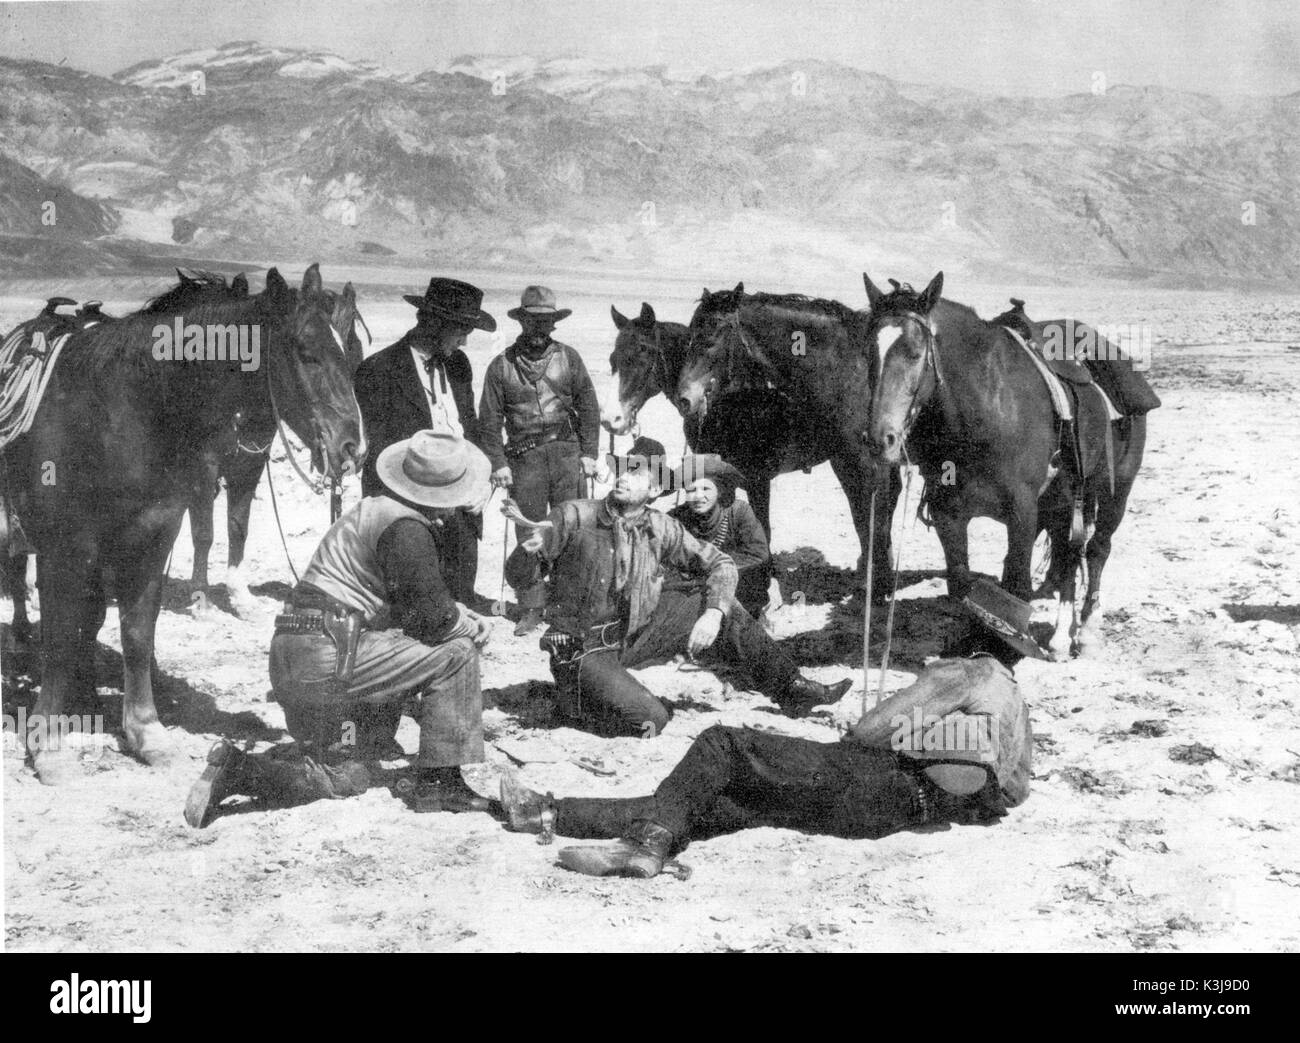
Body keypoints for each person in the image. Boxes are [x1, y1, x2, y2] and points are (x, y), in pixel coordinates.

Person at [499, 576, 1042, 878]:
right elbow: (1011, 791)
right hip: (899, 812)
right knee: (711, 801)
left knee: (723, 745)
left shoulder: (964, 672)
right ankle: (549, 811)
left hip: (875, 785)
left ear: (973, 631)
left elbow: (868, 733)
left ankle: (643, 846)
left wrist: (897, 732)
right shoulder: (1015, 701)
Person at [184, 430, 496, 827]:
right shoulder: (407, 530)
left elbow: (413, 605)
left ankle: (241, 771)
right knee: (457, 652)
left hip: (300, 660)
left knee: (349, 771)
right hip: (331, 661)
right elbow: (436, 623)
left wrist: (454, 613)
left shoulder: (374, 511)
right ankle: (440, 783)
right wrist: (467, 622)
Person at [506, 436, 852, 739]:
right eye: (625, 469)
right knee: (652, 721)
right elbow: (518, 577)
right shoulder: (573, 515)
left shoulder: (661, 526)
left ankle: (792, 689)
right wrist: (528, 552)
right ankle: (574, 700)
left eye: (637, 473)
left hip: (633, 634)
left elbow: (722, 564)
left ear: (655, 490)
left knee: (718, 603)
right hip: (582, 647)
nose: (625, 477)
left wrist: (714, 614)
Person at [353, 278, 495, 606]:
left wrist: (482, 484)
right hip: (407, 510)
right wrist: (427, 503)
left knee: (459, 603)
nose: (464, 343)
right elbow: (381, 459)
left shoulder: (459, 365)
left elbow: (469, 429)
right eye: (460, 332)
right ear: (435, 324)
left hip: (460, 505)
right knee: (415, 608)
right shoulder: (378, 370)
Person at [478, 285, 601, 635]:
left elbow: (589, 408)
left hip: (567, 454)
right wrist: (498, 462)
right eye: (533, 321)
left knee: (571, 529)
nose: (539, 329)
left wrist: (590, 454)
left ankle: (565, 606)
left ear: (553, 324)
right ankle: (531, 606)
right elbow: (489, 420)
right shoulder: (500, 365)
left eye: (545, 322)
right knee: (529, 530)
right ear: (522, 321)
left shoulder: (570, 358)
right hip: (524, 459)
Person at [667, 454, 772, 619]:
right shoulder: (676, 518)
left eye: (706, 489)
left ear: (720, 490)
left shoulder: (738, 511)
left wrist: (715, 569)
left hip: (739, 586)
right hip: (695, 588)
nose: (698, 496)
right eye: (691, 490)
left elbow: (758, 553)